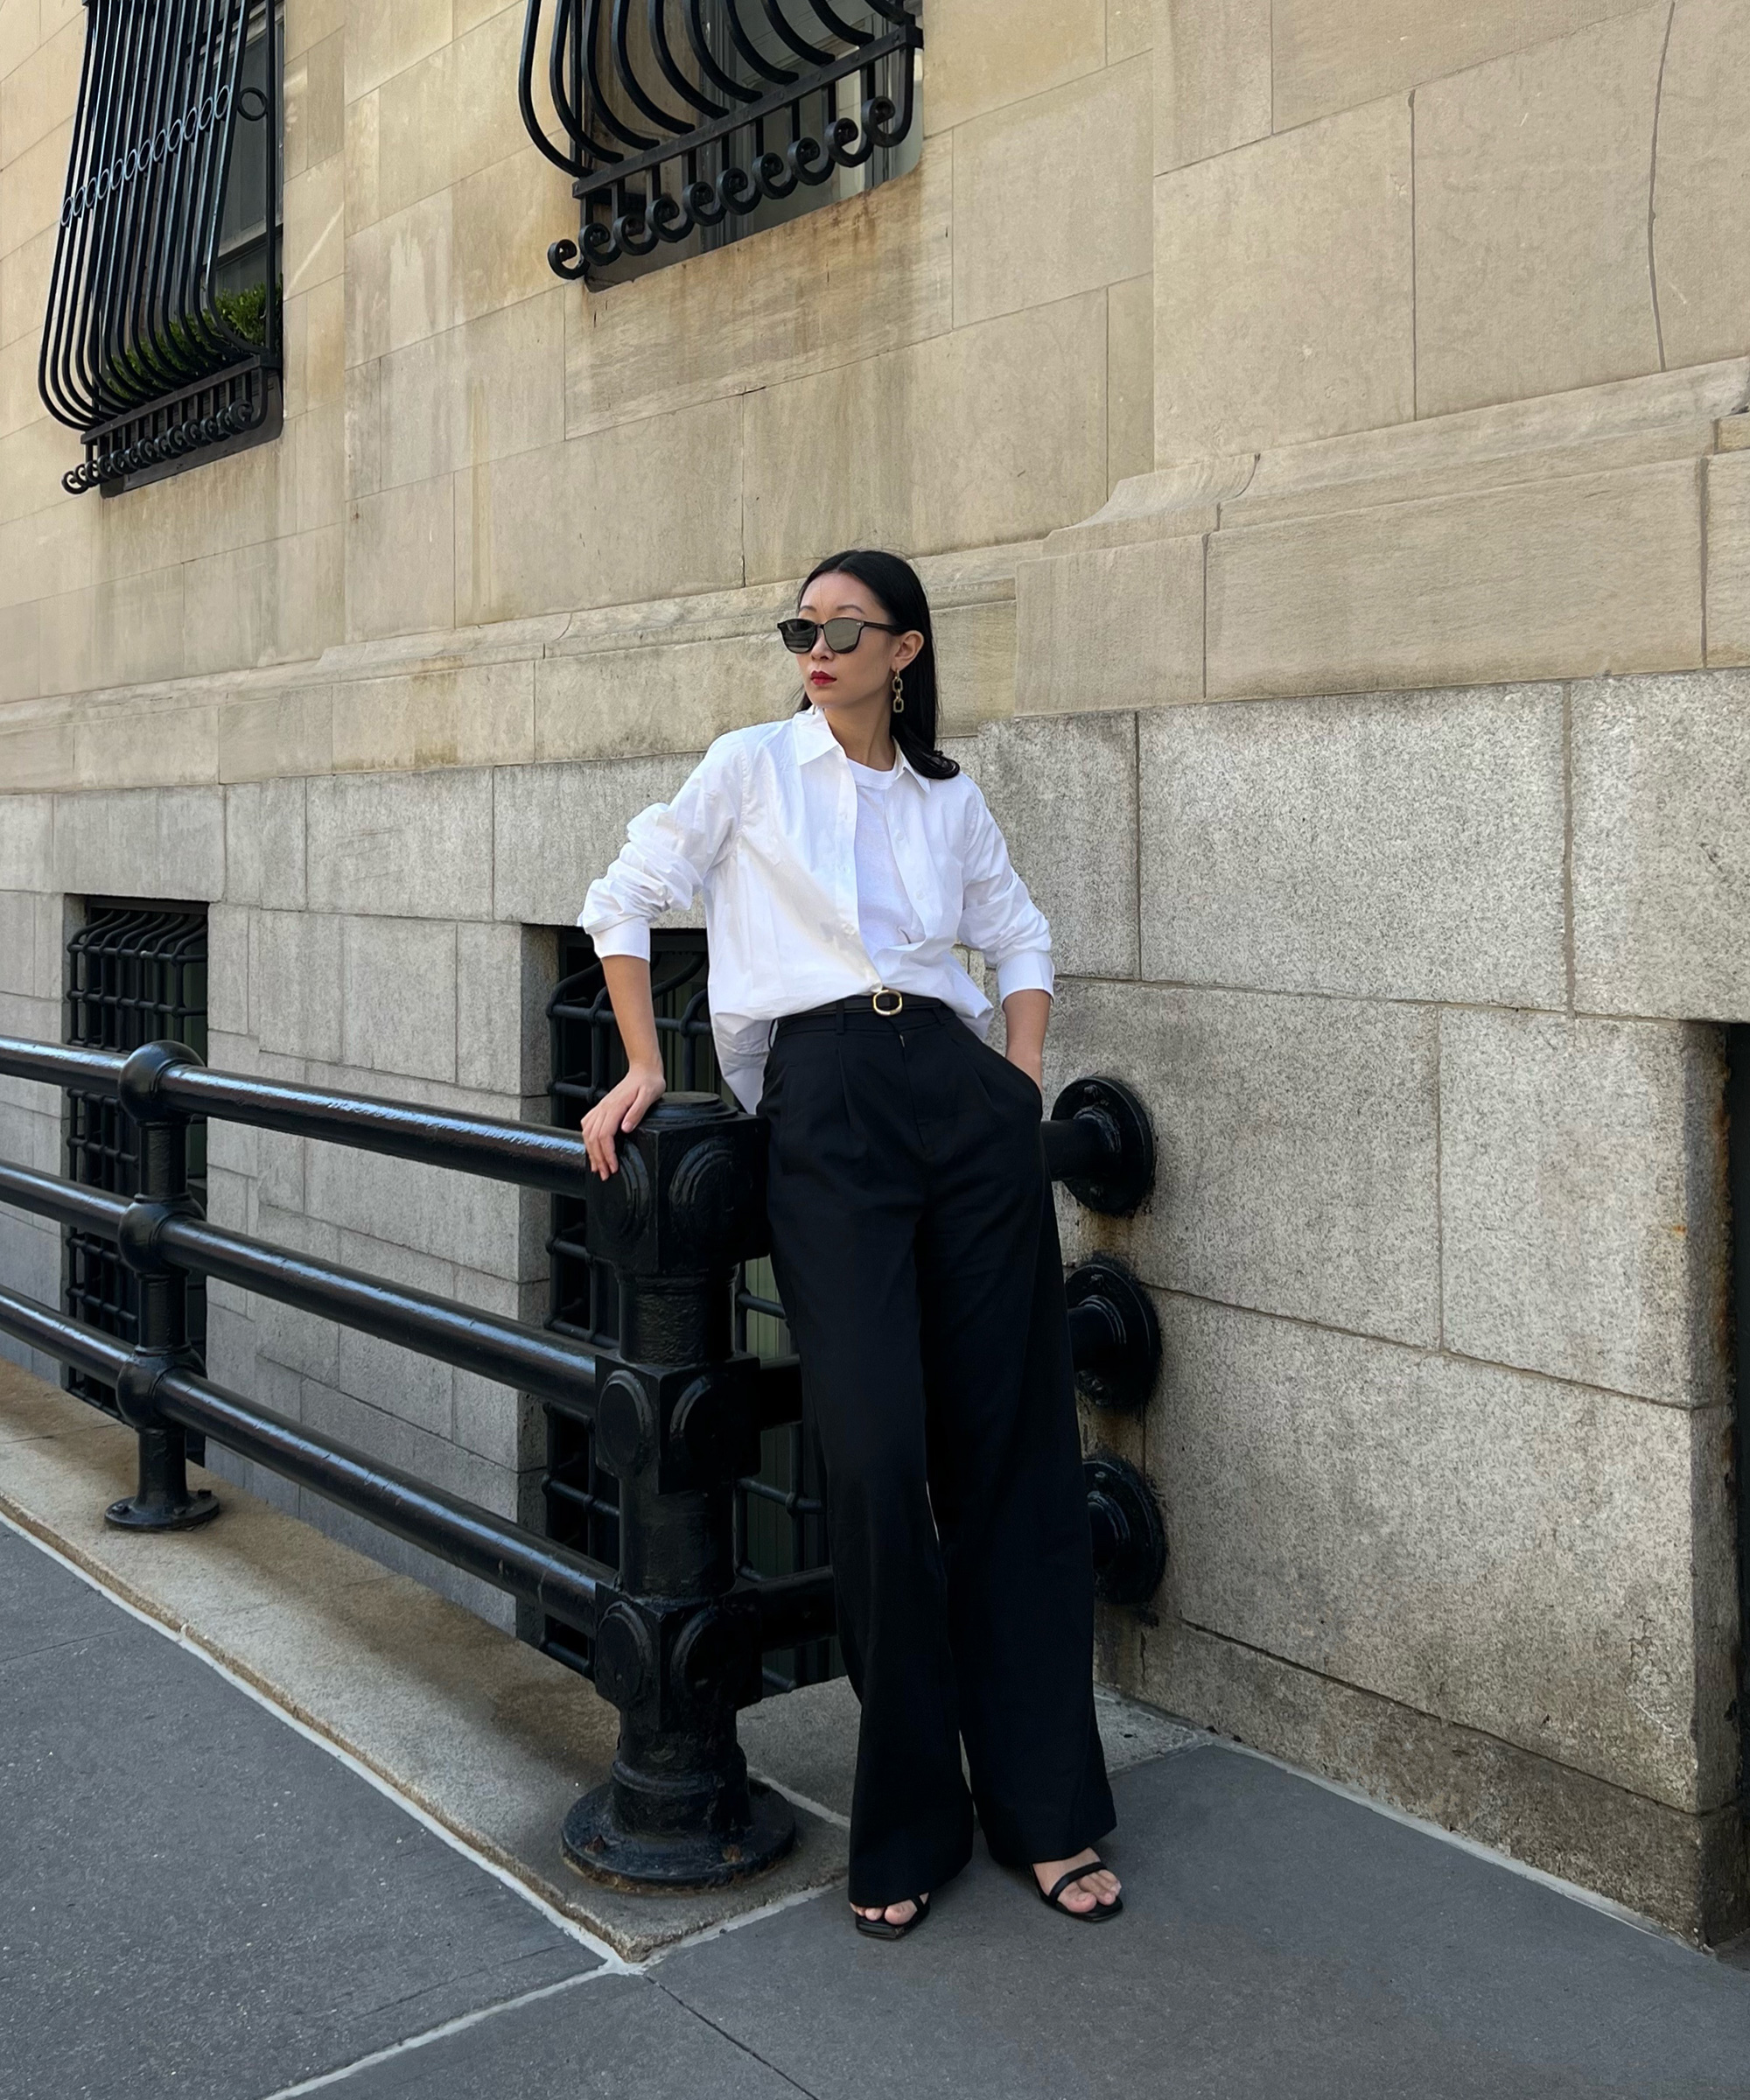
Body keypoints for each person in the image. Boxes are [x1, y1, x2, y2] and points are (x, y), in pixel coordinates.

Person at [577, 548, 1122, 1939]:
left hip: (964, 1106)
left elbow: (1021, 937)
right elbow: (623, 898)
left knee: (1011, 1454)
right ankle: (914, 1816)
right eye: (800, 628)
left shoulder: (947, 797)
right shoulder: (751, 767)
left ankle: (1046, 1807)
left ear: (906, 651)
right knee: (876, 1459)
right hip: (821, 1104)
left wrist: (1018, 1083)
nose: (814, 649)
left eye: (843, 628)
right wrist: (644, 1065)